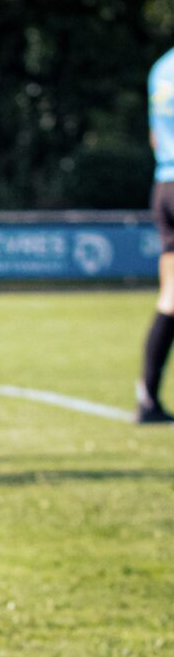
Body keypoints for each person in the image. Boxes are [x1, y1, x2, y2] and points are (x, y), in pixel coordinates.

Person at [137, 46, 174, 424]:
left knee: (171, 296)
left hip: (164, 184)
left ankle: (147, 398)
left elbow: (154, 135)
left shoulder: (161, 66)